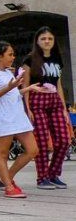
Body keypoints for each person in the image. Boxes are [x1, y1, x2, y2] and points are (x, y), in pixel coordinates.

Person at [0, 41, 38, 198]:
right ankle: (9, 186)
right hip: (3, 117)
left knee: (32, 150)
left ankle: (7, 177)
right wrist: (10, 87)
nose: (13, 57)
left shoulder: (8, 73)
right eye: (10, 54)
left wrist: (27, 88)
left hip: (17, 116)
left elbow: (13, 94)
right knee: (2, 153)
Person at [22, 26, 72, 188]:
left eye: (50, 38)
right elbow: (26, 83)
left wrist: (64, 109)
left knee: (64, 140)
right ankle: (41, 177)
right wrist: (27, 108)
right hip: (37, 99)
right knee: (42, 142)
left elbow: (58, 84)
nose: (47, 41)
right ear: (37, 41)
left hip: (55, 100)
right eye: (43, 39)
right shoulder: (30, 59)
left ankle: (53, 173)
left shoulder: (57, 59)